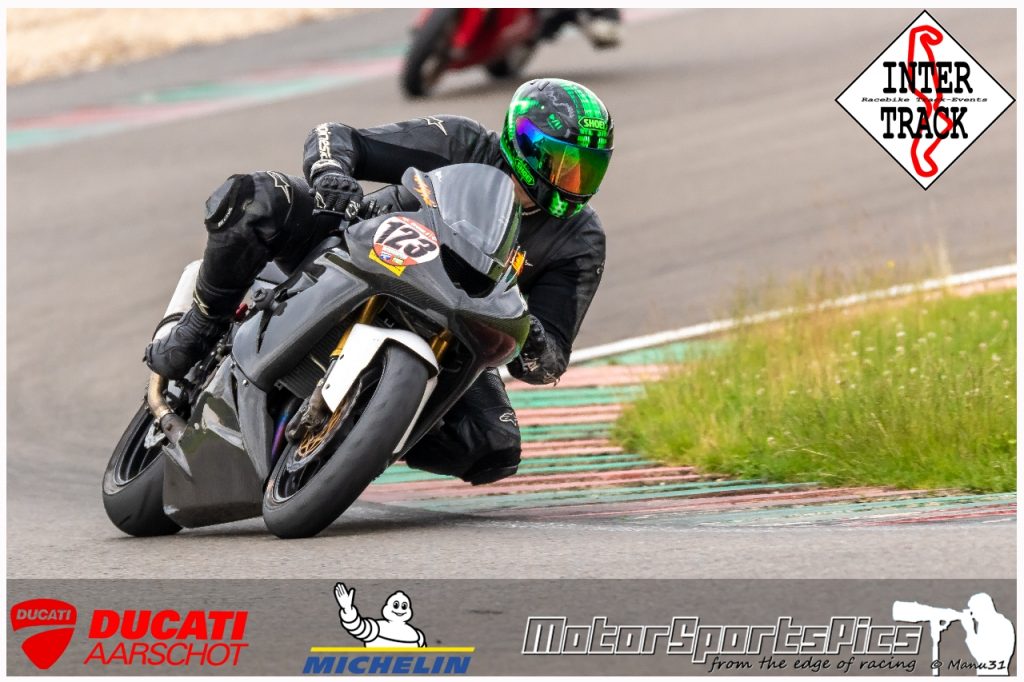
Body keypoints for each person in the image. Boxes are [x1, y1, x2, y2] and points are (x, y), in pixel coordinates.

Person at [145, 77, 613, 485]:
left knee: (493, 446)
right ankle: (201, 324)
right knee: (255, 198)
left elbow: (551, 358)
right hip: (360, 242)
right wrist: (332, 173)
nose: (573, 180)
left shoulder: (580, 240)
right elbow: (335, 136)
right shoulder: (463, 142)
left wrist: (532, 337)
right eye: (563, 163)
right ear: (526, 142)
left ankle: (361, 436)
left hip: (456, 321)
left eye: (587, 170)